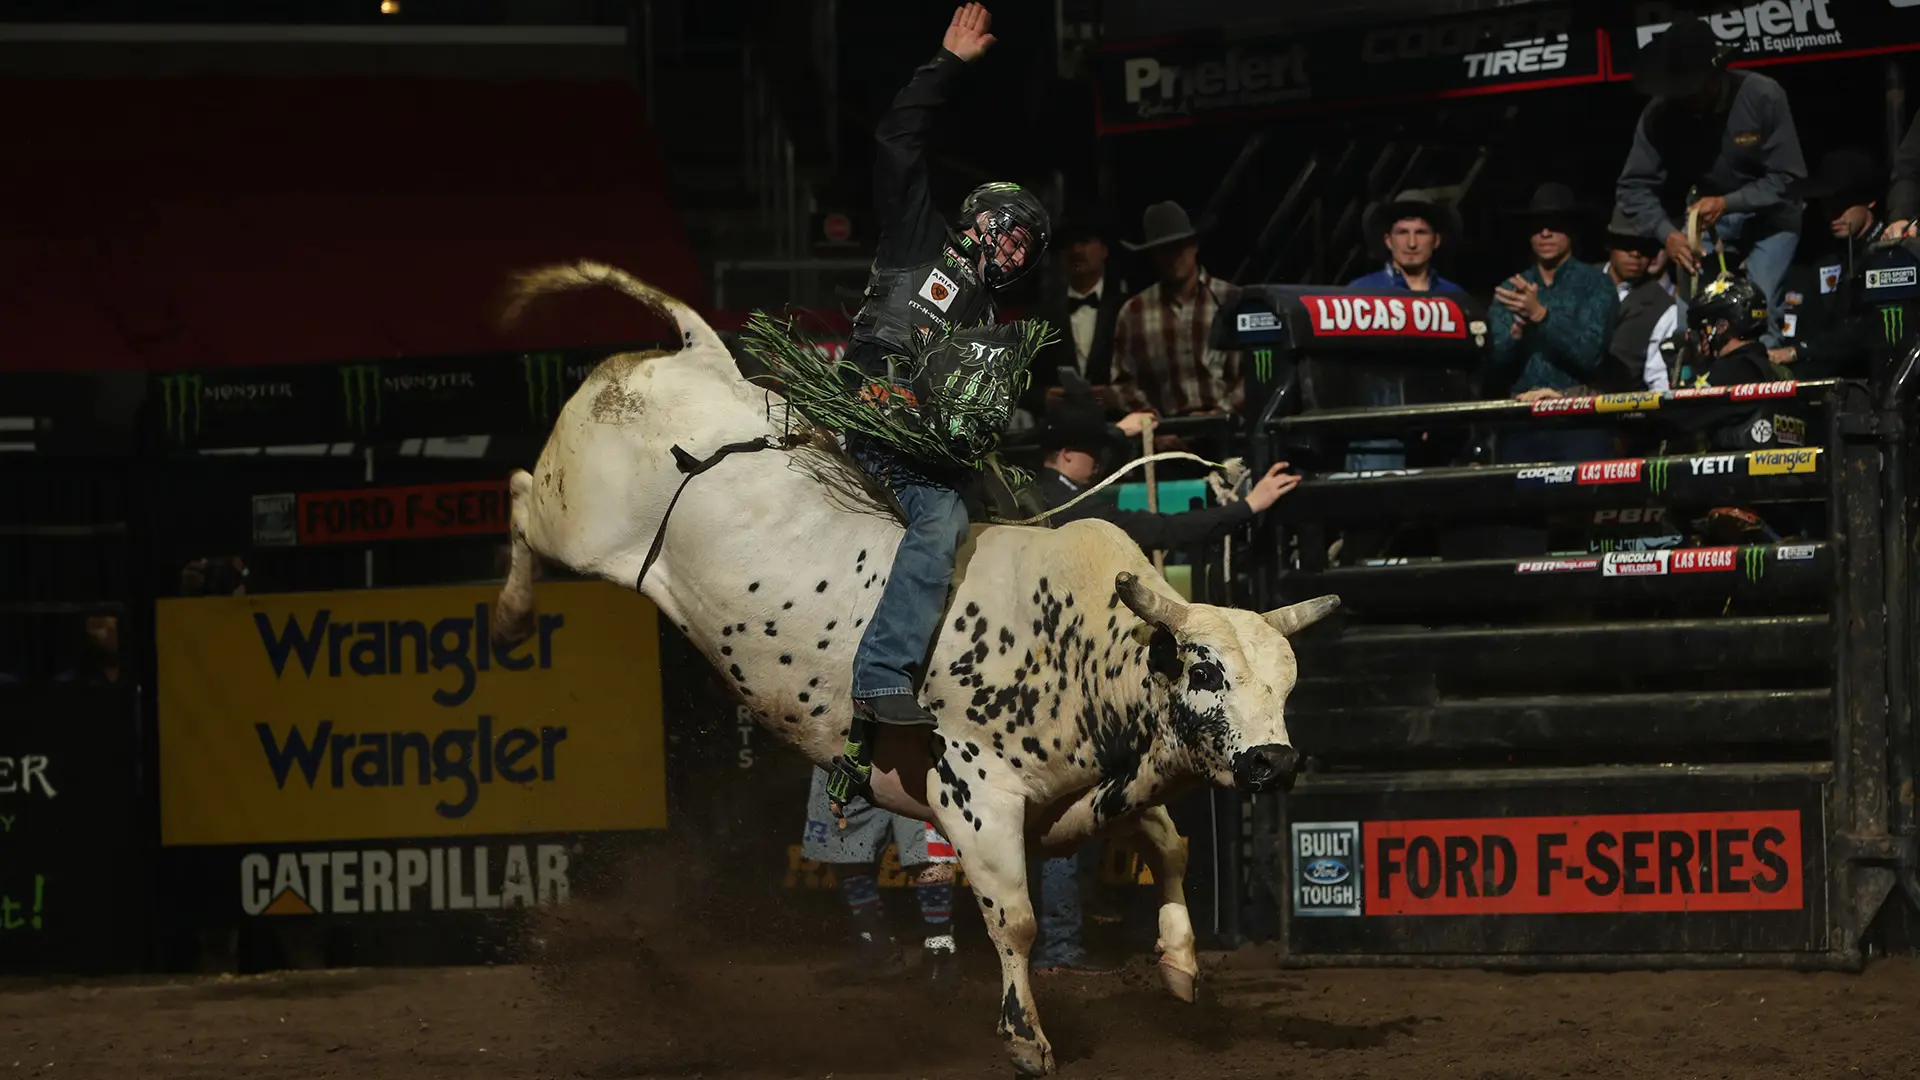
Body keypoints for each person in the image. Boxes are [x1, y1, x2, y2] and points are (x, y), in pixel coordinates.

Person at [827, 3, 1052, 808]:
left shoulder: (996, 324)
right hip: (867, 410)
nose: (1018, 256)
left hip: (925, 444)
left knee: (1006, 521)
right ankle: (883, 673)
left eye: (1029, 251)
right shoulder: (920, 238)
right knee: (942, 523)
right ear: (983, 221)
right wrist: (946, 65)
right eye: (1015, 237)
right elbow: (897, 141)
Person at [1615, 14, 1806, 347]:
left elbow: (1787, 178)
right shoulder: (1660, 113)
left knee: (1758, 308)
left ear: (1716, 75)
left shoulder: (1762, 96)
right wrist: (1667, 234)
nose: (1686, 98)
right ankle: (1695, 385)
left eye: (1693, 88)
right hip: (1703, 219)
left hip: (1772, 214)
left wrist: (1728, 202)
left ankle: (1761, 388)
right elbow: (1633, 187)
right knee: (1692, 314)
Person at [1485, 183, 1619, 463]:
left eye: (1555, 225)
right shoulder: (1510, 289)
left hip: (1580, 424)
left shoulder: (1596, 285)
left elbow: (1590, 355)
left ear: (1572, 230)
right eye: (1537, 227)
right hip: (1522, 424)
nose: (1545, 233)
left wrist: (1541, 316)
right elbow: (1494, 365)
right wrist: (1516, 335)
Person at [800, 765, 960, 986]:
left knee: (925, 849)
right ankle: (877, 946)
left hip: (910, 742)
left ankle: (939, 948)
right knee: (843, 847)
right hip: (842, 745)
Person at [1109, 201, 1241, 417]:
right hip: (1165, 434)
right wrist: (1156, 427)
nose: (1173, 256)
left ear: (1195, 245)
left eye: (1180, 245)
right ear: (1152, 255)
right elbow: (1124, 384)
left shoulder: (1231, 300)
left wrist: (1218, 415)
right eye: (1163, 249)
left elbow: (1253, 374)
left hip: (1227, 431)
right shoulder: (1133, 313)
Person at [1773, 147, 1889, 381]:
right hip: (1831, 377)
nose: (1833, 213)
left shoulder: (1887, 254)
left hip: (1877, 379)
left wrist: (1798, 351)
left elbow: (1867, 329)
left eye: (1843, 202)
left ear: (1870, 201)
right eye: (1827, 202)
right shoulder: (1825, 256)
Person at [1023, 213, 1128, 418]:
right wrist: (1042, 397)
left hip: (1120, 428)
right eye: (1068, 245)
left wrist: (1118, 396)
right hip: (1060, 432)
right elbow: (1015, 382)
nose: (1076, 250)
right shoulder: (1038, 317)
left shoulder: (1128, 307)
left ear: (1104, 250)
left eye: (1085, 242)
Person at [1601, 208, 1680, 392]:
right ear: (1609, 245)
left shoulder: (1662, 306)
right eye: (1627, 244)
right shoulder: (1582, 281)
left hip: (1620, 410)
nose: (1636, 254)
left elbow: (1659, 383)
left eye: (1645, 247)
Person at [1348, 189, 1465, 293]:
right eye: (1402, 233)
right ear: (1388, 241)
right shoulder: (1361, 292)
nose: (1412, 243)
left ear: (1436, 241)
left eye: (1421, 233)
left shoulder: (1454, 296)